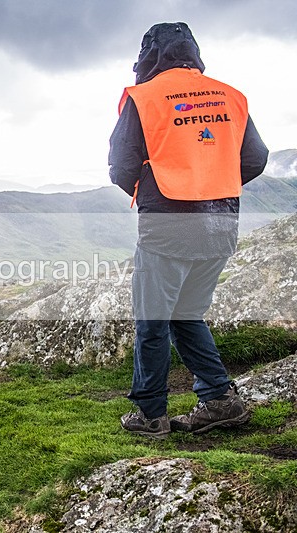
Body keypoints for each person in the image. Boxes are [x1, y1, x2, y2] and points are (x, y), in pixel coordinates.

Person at [109, 23, 269, 439]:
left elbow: (122, 167)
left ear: (149, 54)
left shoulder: (143, 97)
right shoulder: (230, 95)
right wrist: (210, 185)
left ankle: (150, 414)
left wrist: (160, 192)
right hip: (221, 223)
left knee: (153, 320)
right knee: (186, 314)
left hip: (166, 224)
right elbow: (255, 158)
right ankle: (219, 400)